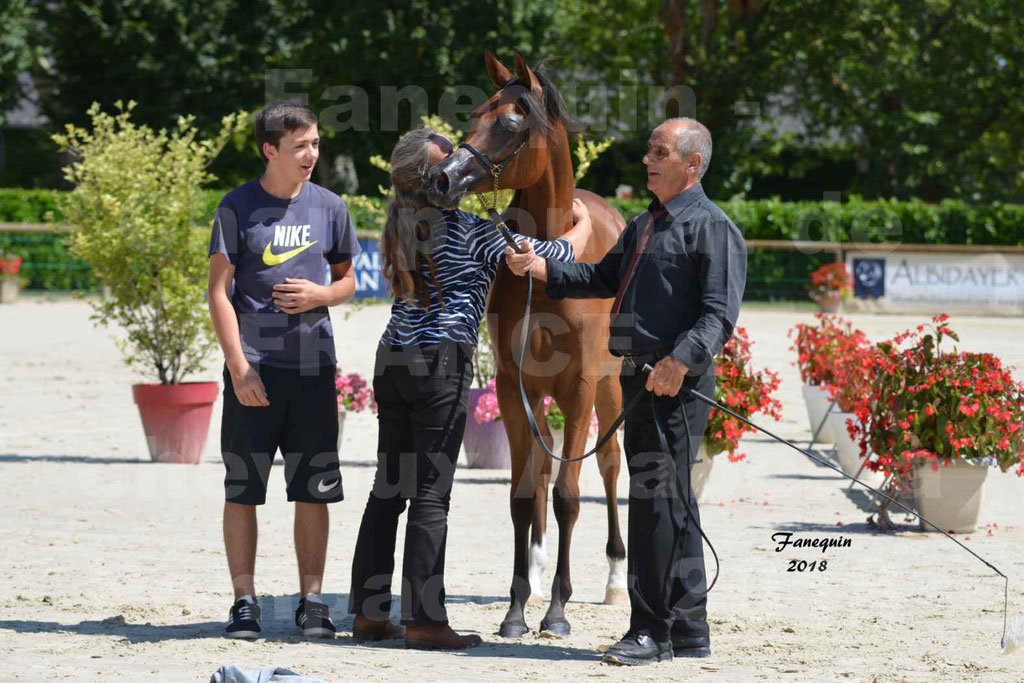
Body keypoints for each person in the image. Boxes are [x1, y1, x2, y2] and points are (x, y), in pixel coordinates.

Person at [505, 118, 747, 665]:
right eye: (649, 151)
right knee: (675, 503)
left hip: (675, 386)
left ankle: (648, 630)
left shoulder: (712, 228)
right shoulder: (643, 226)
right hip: (638, 376)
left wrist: (679, 363)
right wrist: (541, 265)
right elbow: (597, 278)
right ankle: (689, 629)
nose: (647, 160)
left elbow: (717, 317)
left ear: (692, 164)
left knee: (655, 505)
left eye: (660, 152)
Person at [347, 126, 592, 650]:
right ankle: (425, 621)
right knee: (432, 496)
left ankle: (368, 616)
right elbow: (550, 253)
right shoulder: (473, 232)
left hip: (392, 358)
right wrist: (584, 226)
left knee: (387, 490)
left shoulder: (400, 225)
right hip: (441, 361)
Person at [207, 100, 360, 640]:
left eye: (316, 144)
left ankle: (312, 601)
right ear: (270, 149)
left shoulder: (330, 206)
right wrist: (239, 367)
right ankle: (244, 602)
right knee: (243, 488)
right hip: (255, 371)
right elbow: (218, 294)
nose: (312, 154)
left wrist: (323, 293)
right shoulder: (235, 206)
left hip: (314, 369)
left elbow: (348, 281)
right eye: (301, 146)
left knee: (314, 490)